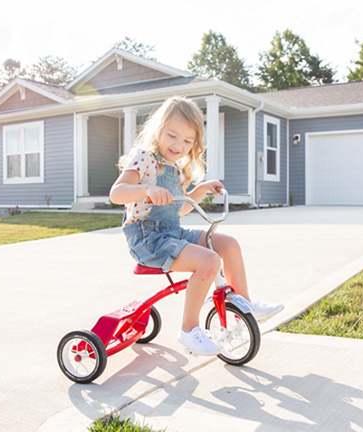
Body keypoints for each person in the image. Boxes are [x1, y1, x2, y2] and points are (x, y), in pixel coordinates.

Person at [109, 96, 284, 356]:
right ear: (158, 131)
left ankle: (244, 302)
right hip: (148, 239)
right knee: (209, 261)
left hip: (172, 233)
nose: (178, 145)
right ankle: (189, 329)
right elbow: (116, 193)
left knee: (228, 244)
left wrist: (200, 190)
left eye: (188, 141)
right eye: (172, 135)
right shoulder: (145, 159)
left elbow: (178, 209)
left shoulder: (175, 169)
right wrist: (145, 188)